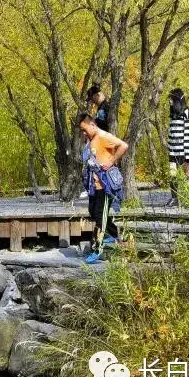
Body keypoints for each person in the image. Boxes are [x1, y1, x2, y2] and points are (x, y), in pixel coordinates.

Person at [77, 113, 128, 264]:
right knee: (93, 212)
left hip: (104, 185)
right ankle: (112, 233)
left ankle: (98, 249)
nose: (84, 133)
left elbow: (123, 145)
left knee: (100, 216)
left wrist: (112, 160)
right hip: (94, 185)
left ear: (92, 124)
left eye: (85, 130)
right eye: (82, 131)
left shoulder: (103, 136)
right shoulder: (92, 139)